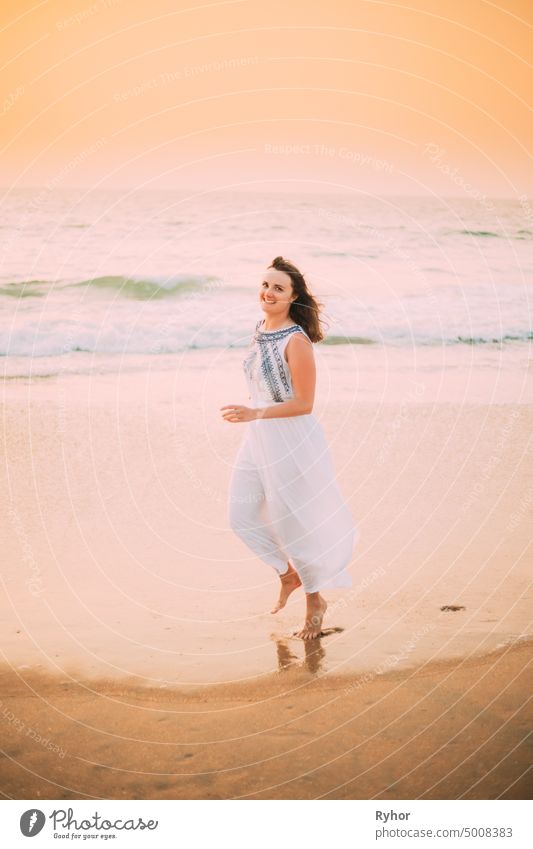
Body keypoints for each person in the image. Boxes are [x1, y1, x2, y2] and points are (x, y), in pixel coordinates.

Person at [221, 256, 359, 640]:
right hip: (259, 436)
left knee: (292, 520)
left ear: (293, 296)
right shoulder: (260, 328)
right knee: (241, 515)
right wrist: (253, 415)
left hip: (291, 438)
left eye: (278, 287)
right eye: (265, 285)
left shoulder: (296, 341)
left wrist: (254, 412)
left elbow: (304, 403)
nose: (268, 292)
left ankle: (315, 599)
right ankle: (288, 575)